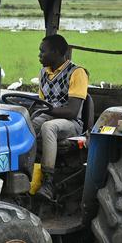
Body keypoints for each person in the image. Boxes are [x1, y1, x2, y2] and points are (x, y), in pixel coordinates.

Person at [32, 34, 88, 202]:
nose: (39, 55)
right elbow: (41, 102)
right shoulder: (44, 73)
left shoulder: (77, 73)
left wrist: (45, 109)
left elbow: (72, 111)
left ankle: (48, 182)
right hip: (48, 116)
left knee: (48, 127)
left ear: (56, 52)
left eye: (43, 52)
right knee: (25, 125)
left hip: (70, 124)